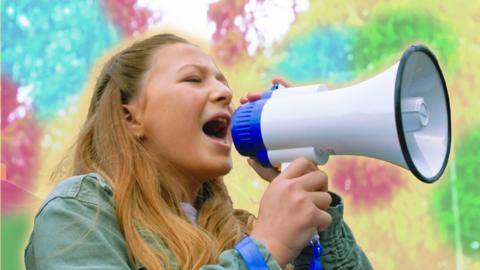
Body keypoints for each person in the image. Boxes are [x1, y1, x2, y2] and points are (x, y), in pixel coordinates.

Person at [24, 33, 372, 269]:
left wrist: (314, 207)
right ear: (131, 118)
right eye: (193, 79)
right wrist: (263, 251)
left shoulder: (238, 230)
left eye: (222, 81)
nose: (224, 92)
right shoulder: (78, 212)